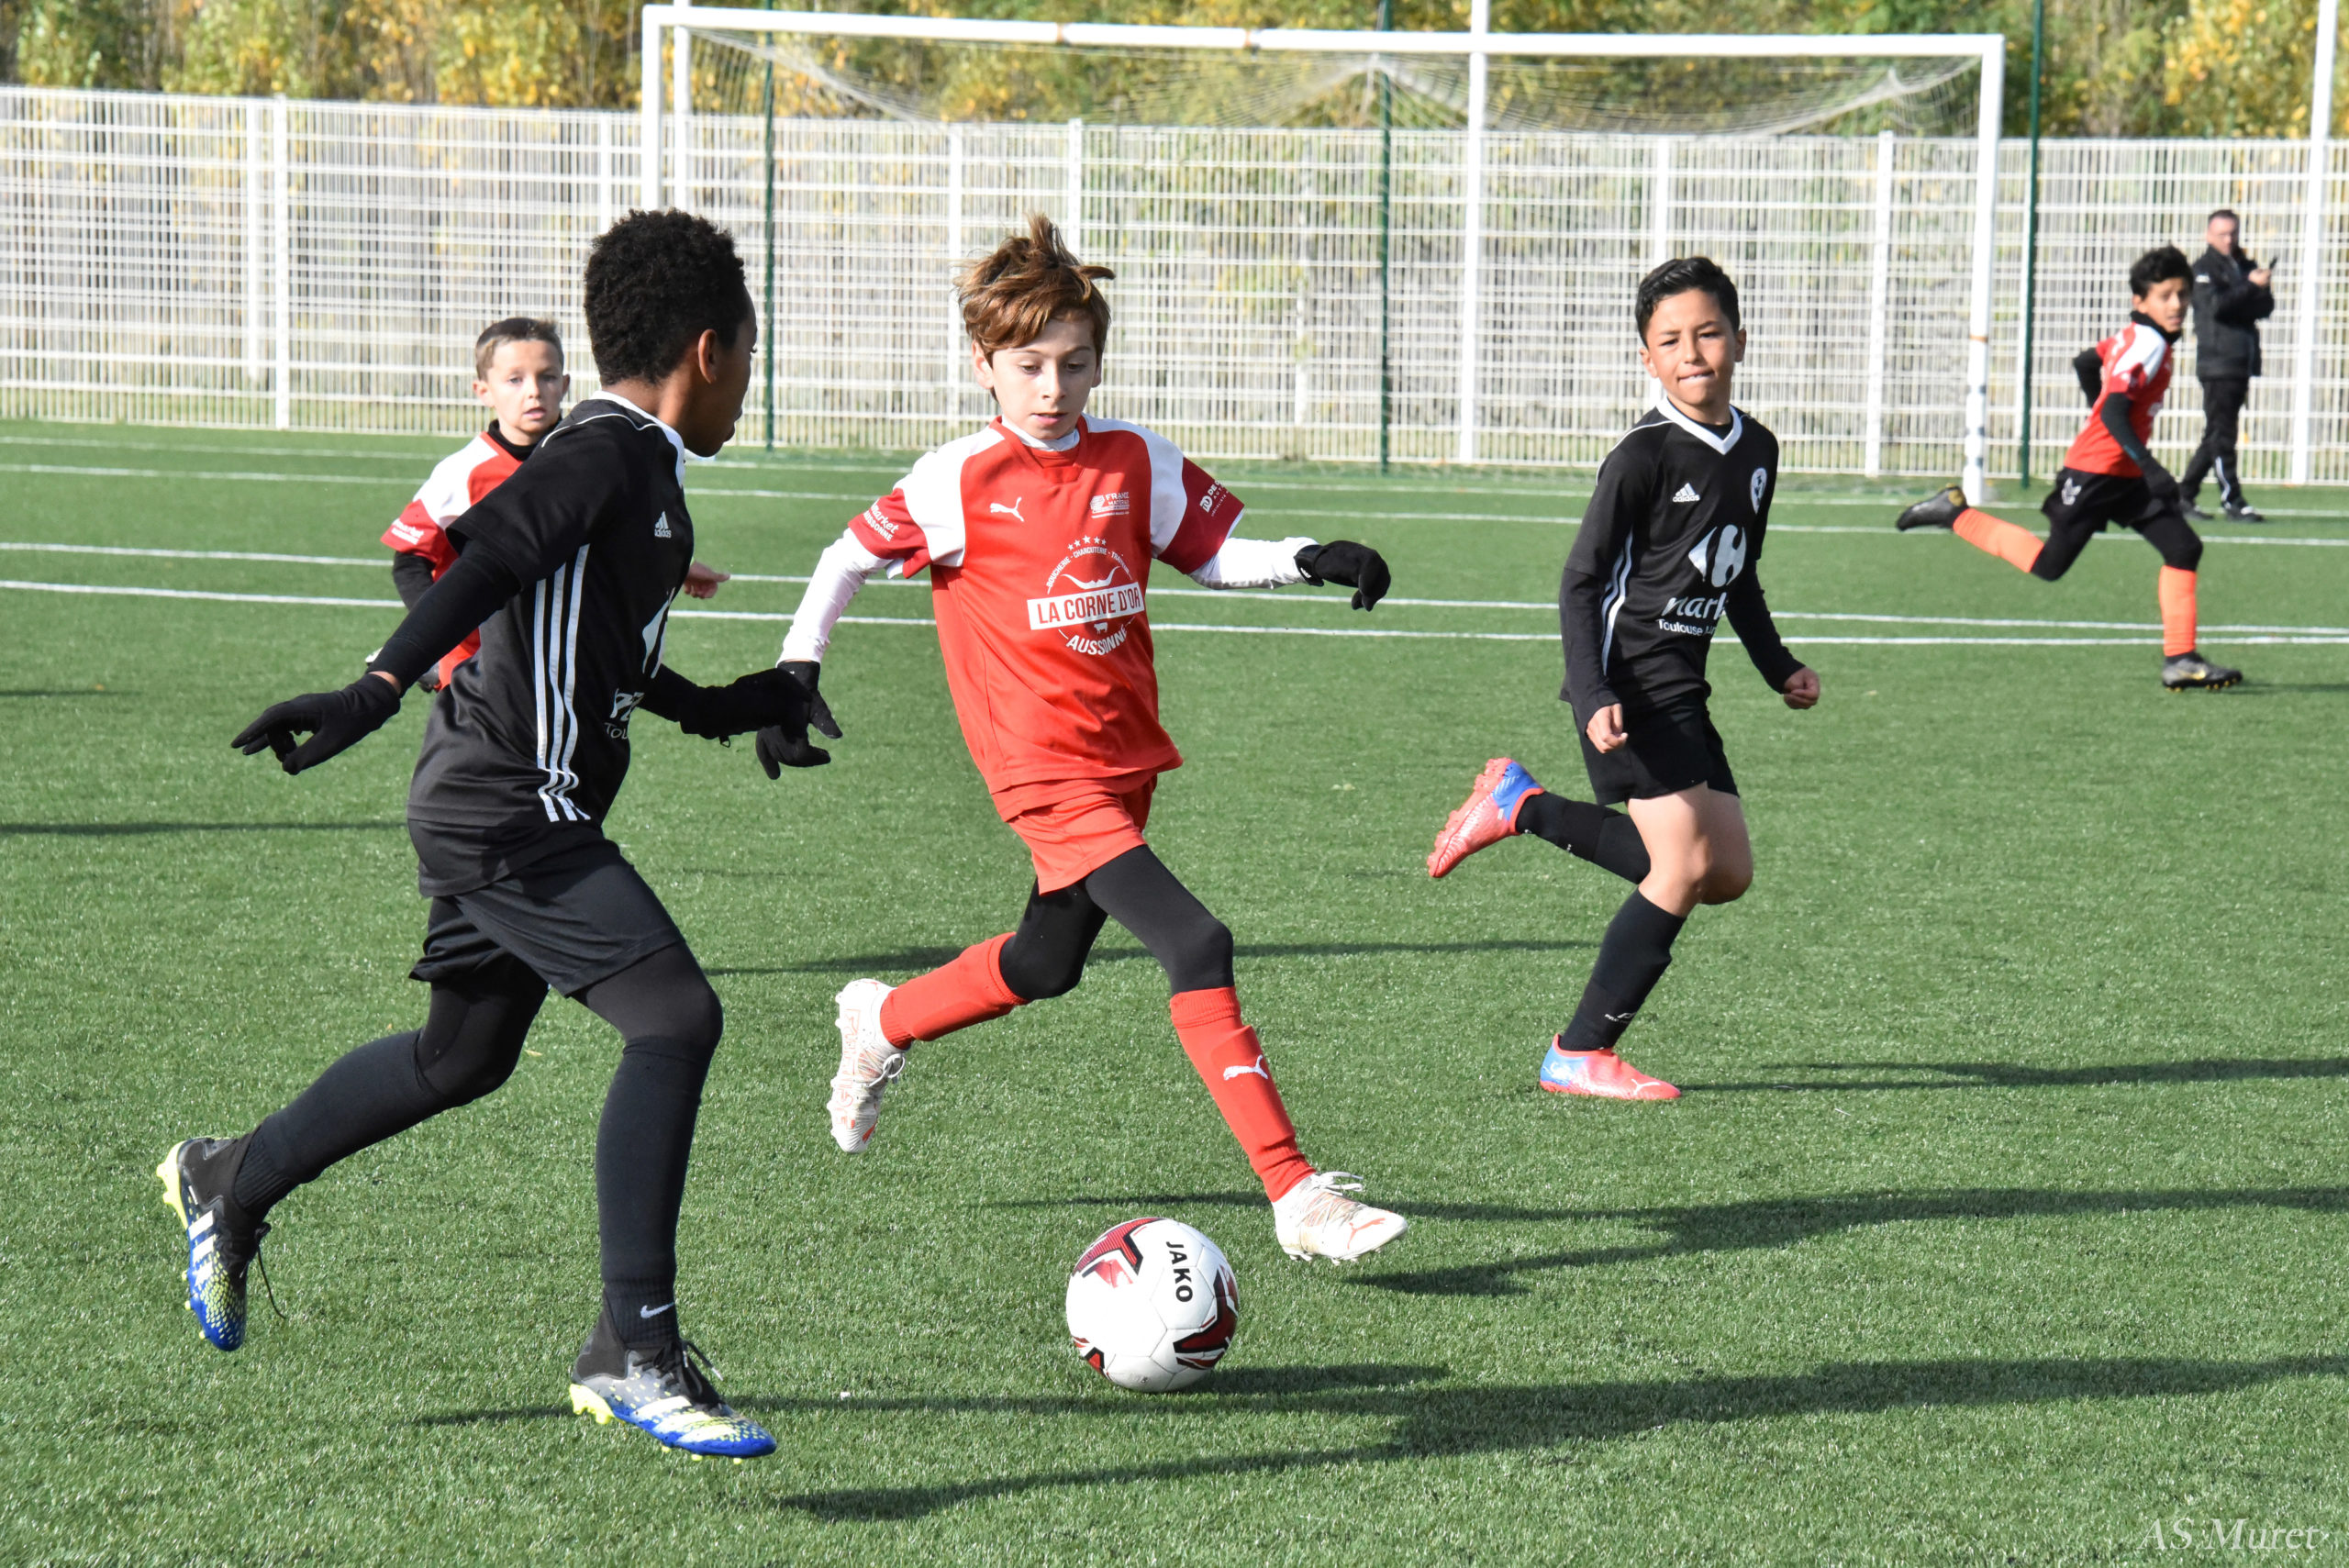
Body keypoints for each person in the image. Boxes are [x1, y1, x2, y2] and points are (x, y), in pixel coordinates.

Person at [157, 210, 822, 1460]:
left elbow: (603, 652)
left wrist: (739, 705)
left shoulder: (646, 470)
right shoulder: (605, 450)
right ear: (709, 349)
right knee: (676, 1017)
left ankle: (228, 1177)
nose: (751, 373)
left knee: (459, 1056)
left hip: (516, 793)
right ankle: (634, 1346)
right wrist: (373, 688)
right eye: (751, 348)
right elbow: (496, 554)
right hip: (509, 801)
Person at [765, 214, 1408, 1264]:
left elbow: (1208, 554)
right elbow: (845, 557)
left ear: (1098, 360)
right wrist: (798, 668)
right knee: (1195, 941)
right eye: (1028, 365)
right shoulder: (956, 478)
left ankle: (884, 1019)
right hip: (1038, 767)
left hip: (1124, 756)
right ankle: (1295, 1192)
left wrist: (1307, 555)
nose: (1052, 386)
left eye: (1073, 362)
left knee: (1045, 960)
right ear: (983, 365)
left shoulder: (1133, 458)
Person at [1424, 257, 1818, 1101]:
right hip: (1628, 681)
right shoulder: (1642, 455)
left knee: (1725, 871)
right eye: (1670, 341)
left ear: (1740, 339)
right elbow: (1579, 581)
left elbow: (1738, 573)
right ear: (1647, 359)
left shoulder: (1758, 449)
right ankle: (1579, 1049)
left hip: (1685, 684)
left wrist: (1778, 665)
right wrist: (1594, 692)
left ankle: (1521, 804)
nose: (1692, 353)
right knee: (1681, 867)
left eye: (1707, 333)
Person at [1895, 246, 2243, 692]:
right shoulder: (2150, 343)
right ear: (2140, 301)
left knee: (2183, 548)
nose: (2177, 304)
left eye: (2182, 294)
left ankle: (2180, 659)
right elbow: (2114, 411)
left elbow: (2086, 362)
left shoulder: (2136, 336)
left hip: (2123, 474)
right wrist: (2150, 466)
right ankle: (1954, 513)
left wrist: (2106, 421)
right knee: (2049, 564)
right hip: (2095, 472)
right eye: (2165, 296)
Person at [379, 317, 728, 693]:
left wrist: (676, 564)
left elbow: (613, 535)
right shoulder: (462, 471)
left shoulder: (588, 455)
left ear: (565, 384)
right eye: (515, 380)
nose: (534, 391)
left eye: (547, 377)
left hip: (564, 655)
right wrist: (442, 639)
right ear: (484, 390)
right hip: (480, 673)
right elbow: (410, 560)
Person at [2179, 209, 2275, 523]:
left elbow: (2265, 306)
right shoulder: (2203, 270)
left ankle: (2183, 496)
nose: (2229, 239)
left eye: (2233, 233)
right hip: (2217, 362)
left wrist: (2253, 289)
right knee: (2223, 435)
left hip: (2240, 361)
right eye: (2222, 234)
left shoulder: (2244, 265)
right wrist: (2249, 288)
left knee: (2216, 434)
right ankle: (2232, 500)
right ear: (2209, 235)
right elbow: (2217, 307)